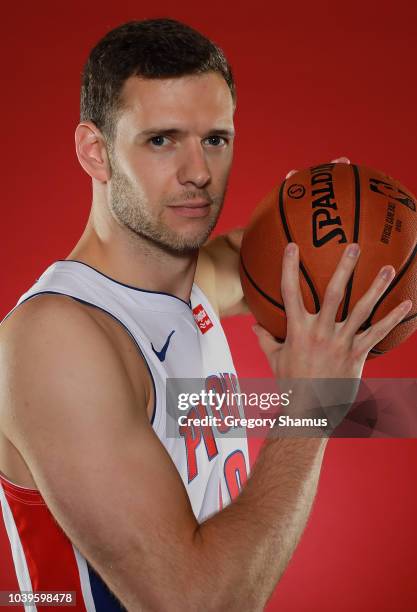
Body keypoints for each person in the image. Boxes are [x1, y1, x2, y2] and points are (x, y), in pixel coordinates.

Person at [0, 18, 411, 612]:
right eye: (162, 139)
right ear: (96, 152)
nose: (198, 172)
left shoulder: (198, 279)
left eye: (215, 139)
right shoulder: (57, 340)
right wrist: (312, 408)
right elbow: (194, 603)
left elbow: (330, 267)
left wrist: (344, 208)